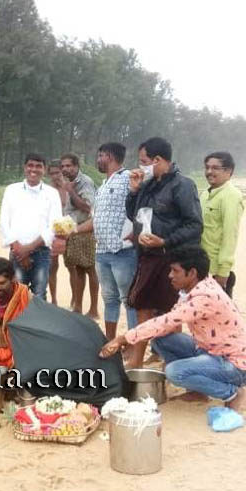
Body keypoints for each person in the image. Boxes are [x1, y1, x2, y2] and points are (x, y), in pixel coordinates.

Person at [100, 247, 246, 411]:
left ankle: (232, 393)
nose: (170, 275)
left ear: (192, 273)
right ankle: (198, 391)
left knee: (174, 372)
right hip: (209, 351)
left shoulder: (205, 297)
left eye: (175, 271)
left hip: (234, 365)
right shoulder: (194, 289)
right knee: (161, 341)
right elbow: (165, 325)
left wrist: (122, 339)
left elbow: (165, 322)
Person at [125, 137, 203, 368]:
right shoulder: (148, 185)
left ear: (158, 160)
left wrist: (165, 241)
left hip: (171, 258)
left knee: (170, 310)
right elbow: (134, 215)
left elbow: (194, 224)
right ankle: (137, 359)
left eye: (144, 161)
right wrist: (133, 192)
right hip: (147, 256)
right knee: (142, 305)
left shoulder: (183, 185)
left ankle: (170, 360)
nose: (141, 166)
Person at [92, 142, 138, 346]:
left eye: (100, 155)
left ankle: (130, 345)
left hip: (123, 251)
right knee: (109, 299)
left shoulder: (128, 178)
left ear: (108, 156)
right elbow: (96, 219)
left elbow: (141, 206)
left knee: (129, 301)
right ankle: (110, 342)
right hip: (102, 251)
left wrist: (136, 232)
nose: (98, 160)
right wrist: (72, 231)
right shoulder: (103, 185)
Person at [0, 153, 62, 301]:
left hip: (42, 253)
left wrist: (28, 249)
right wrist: (19, 250)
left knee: (39, 294)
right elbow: (4, 221)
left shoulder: (52, 193)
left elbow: (54, 225)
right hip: (17, 253)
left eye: (38, 166)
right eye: (30, 165)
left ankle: (37, 325)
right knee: (17, 295)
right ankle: (19, 325)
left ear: (44, 169)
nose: (34, 170)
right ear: (24, 167)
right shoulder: (11, 190)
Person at [58, 152, 99, 318]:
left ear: (76, 166)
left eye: (68, 165)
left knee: (90, 269)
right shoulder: (69, 182)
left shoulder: (85, 182)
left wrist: (71, 191)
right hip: (72, 231)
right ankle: (78, 307)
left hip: (85, 230)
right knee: (79, 269)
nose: (65, 169)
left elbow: (87, 207)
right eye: (63, 166)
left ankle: (94, 309)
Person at [200, 152, 244, 297]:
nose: (209, 172)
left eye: (215, 168)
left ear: (228, 171)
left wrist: (223, 272)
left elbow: (230, 235)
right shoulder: (205, 194)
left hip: (216, 271)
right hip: (201, 266)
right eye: (207, 168)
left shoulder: (231, 196)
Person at [46, 160, 65, 306]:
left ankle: (75, 300)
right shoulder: (47, 191)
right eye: (52, 173)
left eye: (57, 172)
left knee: (73, 266)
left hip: (70, 230)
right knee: (53, 267)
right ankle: (54, 299)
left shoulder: (69, 187)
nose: (55, 176)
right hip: (54, 232)